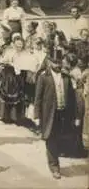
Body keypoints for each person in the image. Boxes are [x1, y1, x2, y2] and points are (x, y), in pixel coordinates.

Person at [34, 50, 78, 179]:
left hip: (63, 113)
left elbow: (72, 99)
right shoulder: (43, 77)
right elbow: (38, 98)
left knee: (59, 138)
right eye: (54, 62)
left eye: (59, 62)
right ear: (49, 62)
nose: (57, 65)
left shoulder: (66, 77)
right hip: (49, 114)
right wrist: (37, 115)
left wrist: (75, 116)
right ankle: (54, 166)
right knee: (51, 138)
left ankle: (55, 160)